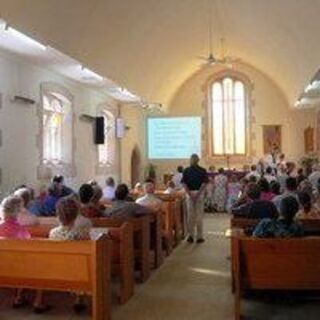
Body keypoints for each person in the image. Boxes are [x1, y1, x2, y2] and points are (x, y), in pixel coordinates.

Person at [49, 197, 90, 312]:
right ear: (76, 214)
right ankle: (79, 298)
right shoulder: (81, 234)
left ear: (58, 214)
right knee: (83, 264)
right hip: (76, 269)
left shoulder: (53, 233)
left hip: (57, 267)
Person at [182, 154, 208, 243]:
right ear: (198, 160)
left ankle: (190, 236)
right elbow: (204, 184)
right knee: (199, 215)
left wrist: (189, 194)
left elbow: (184, 184)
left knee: (190, 215)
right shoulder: (202, 170)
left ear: (191, 160)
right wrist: (198, 194)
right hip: (199, 194)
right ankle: (199, 237)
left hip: (189, 193)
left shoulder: (186, 170)